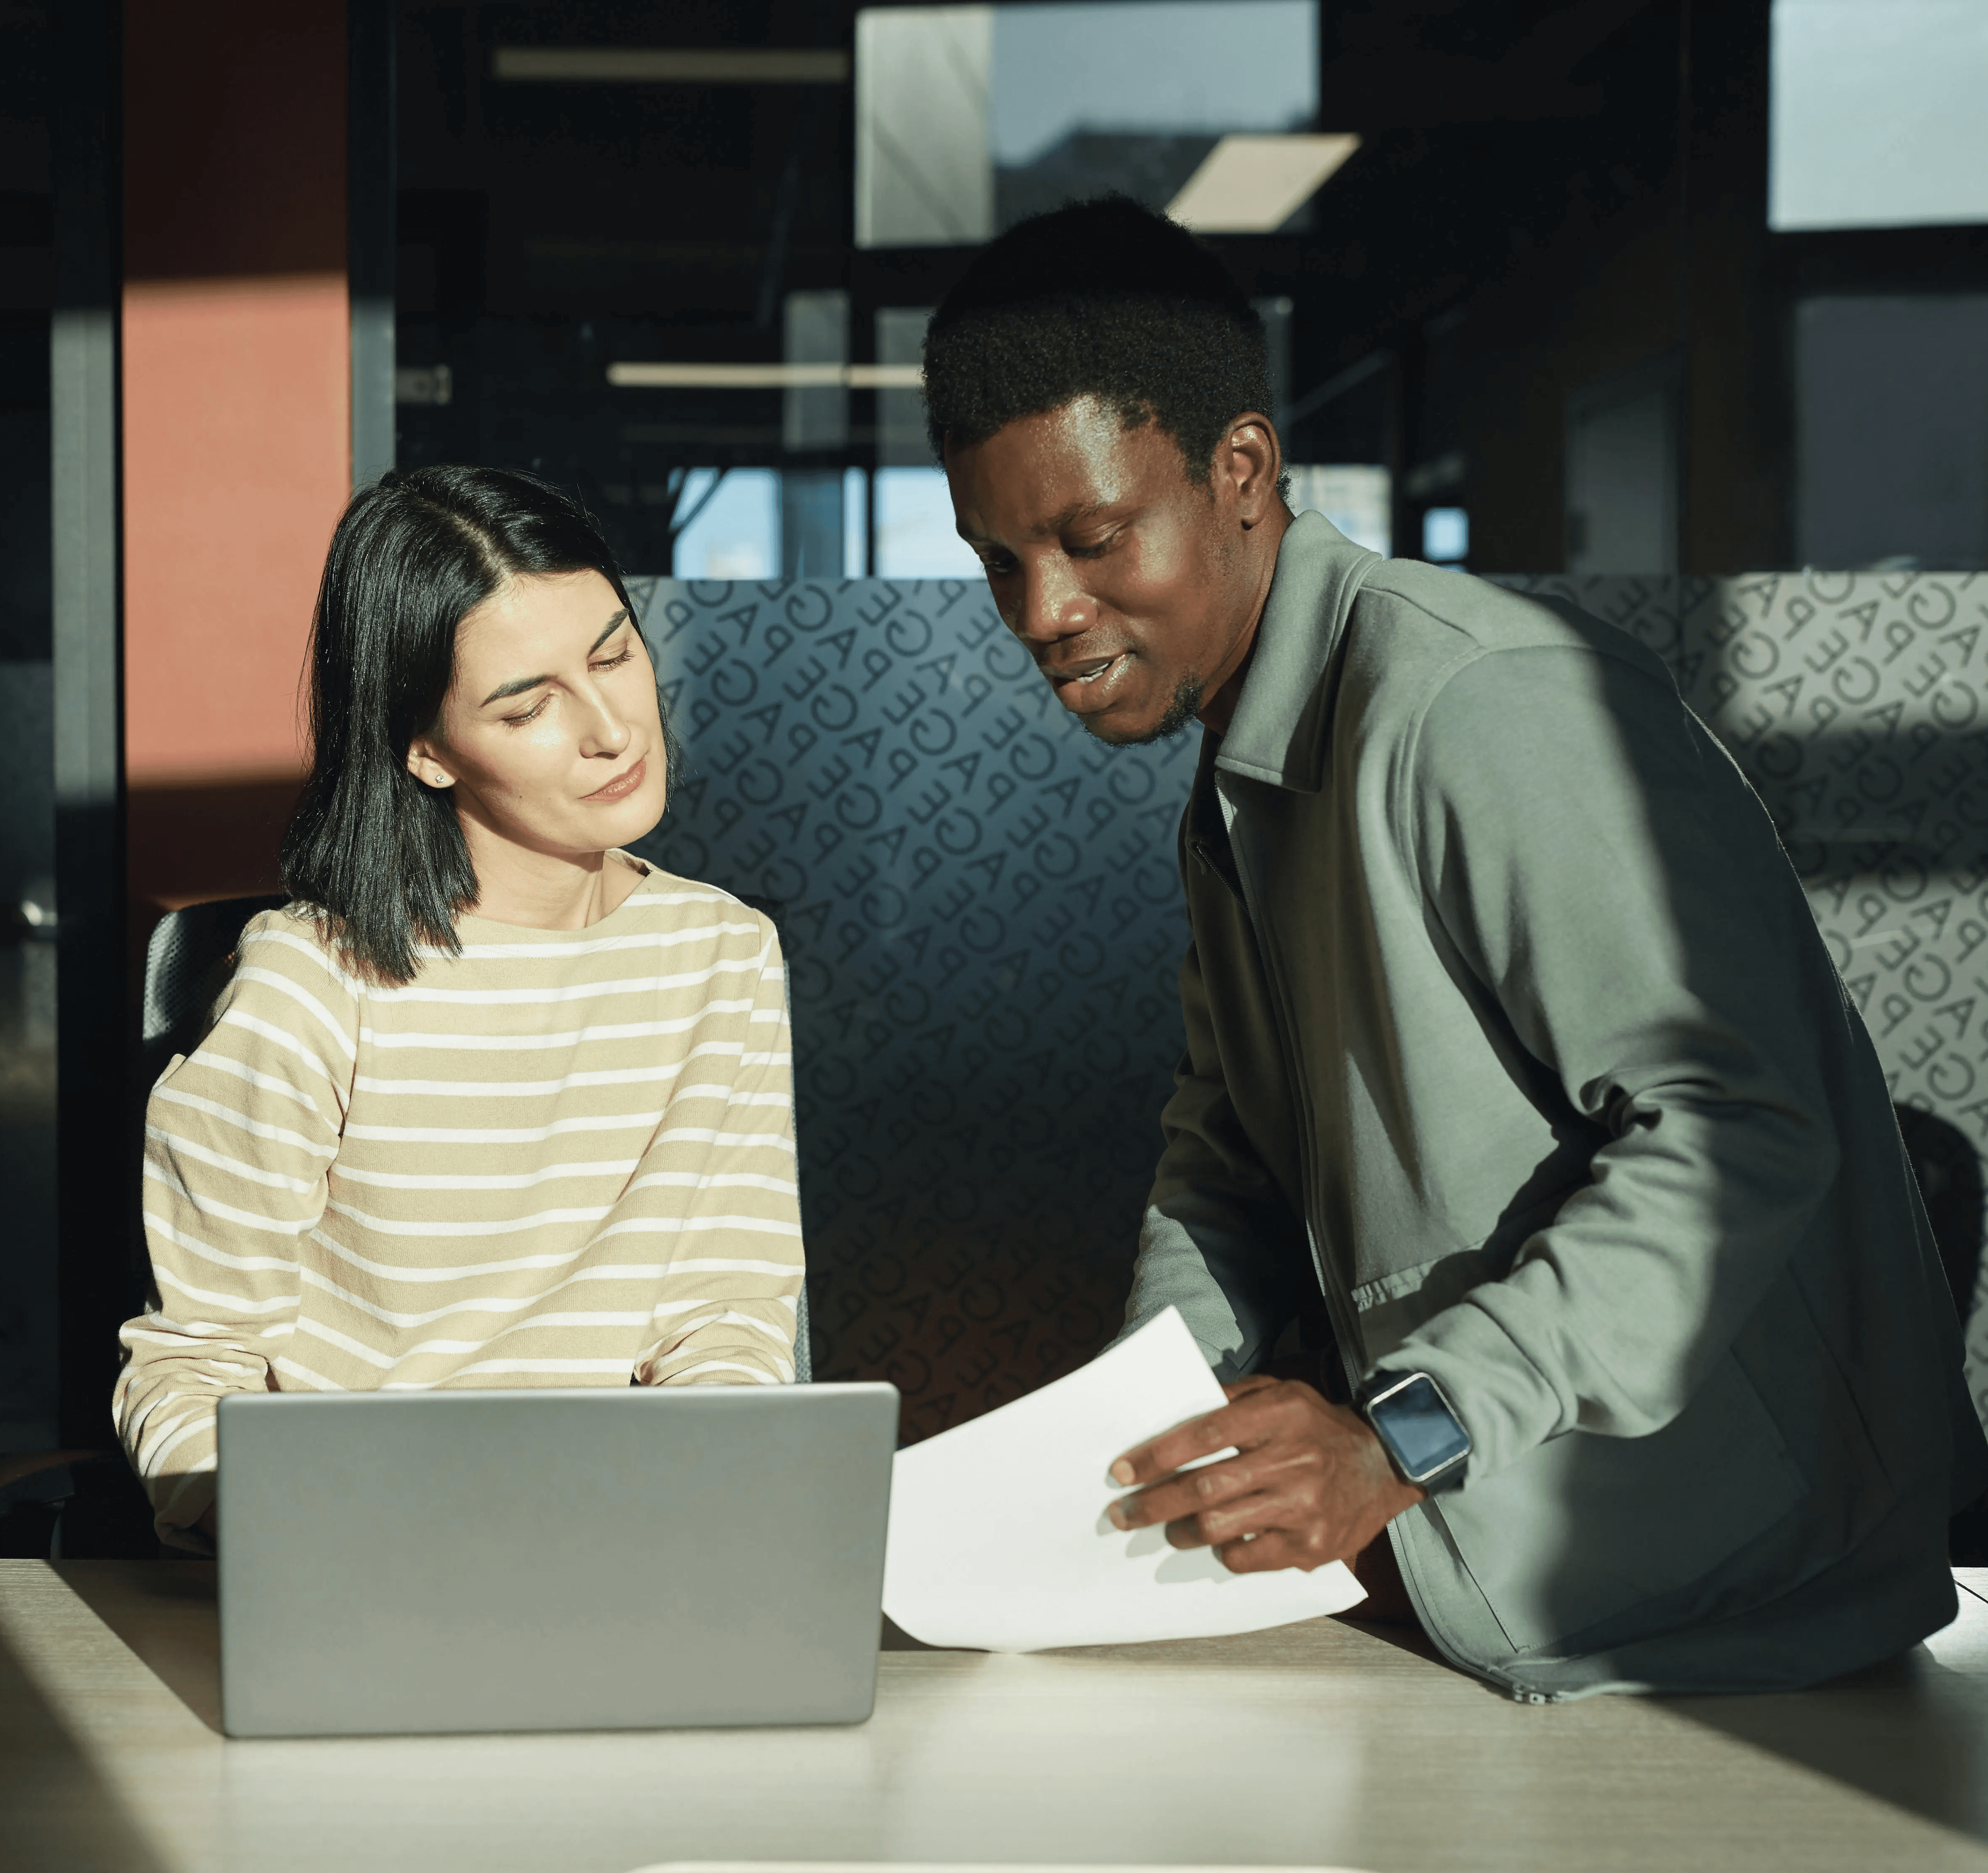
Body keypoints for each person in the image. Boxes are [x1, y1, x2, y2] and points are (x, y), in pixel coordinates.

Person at [925, 196, 1988, 1698]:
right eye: (996, 560)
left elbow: (1740, 1133)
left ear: (1241, 472)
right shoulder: (1241, 770)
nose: (1041, 610)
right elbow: (1225, 1163)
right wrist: (1130, 1452)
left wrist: (1400, 1434)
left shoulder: (1483, 704)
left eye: (1092, 538)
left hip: (1730, 1615)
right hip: (1490, 1570)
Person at [115, 466, 803, 1551]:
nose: (612, 730)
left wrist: (714, 1492)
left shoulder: (719, 952)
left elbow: (726, 1306)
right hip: (365, 1537)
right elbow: (195, 1359)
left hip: (626, 1536)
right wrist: (261, 1529)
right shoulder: (312, 981)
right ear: (425, 751)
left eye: (614, 655)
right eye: (527, 706)